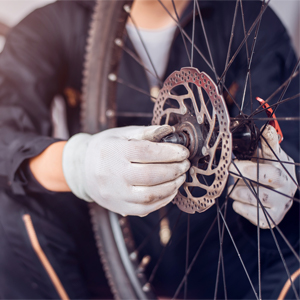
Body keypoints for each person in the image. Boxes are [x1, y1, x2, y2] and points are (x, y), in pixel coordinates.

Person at [0, 0, 298, 299]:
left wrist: (279, 181)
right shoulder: (53, 23)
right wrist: (78, 165)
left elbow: (287, 131)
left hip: (226, 249)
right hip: (99, 246)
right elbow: (5, 135)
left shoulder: (250, 18)